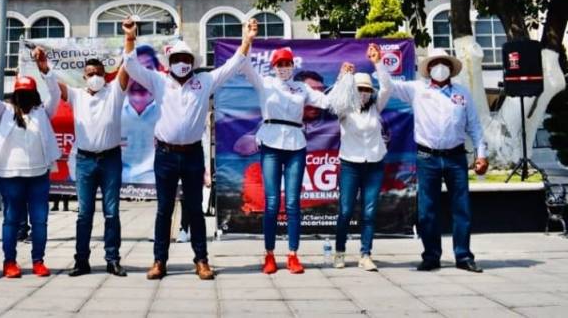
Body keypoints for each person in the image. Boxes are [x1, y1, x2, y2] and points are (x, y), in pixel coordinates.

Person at [123, 18, 257, 280]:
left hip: (193, 155)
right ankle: (159, 261)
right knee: (164, 210)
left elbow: (233, 65)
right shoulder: (158, 81)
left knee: (195, 210)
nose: (181, 63)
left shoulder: (204, 81)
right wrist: (130, 37)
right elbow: (130, 65)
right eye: (177, 59)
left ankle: (202, 261)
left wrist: (247, 40)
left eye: (186, 59)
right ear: (170, 61)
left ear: (192, 62)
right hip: (165, 155)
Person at [392, 48, 488, 273]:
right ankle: (431, 256)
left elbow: (474, 126)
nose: (440, 67)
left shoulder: (462, 93)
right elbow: (390, 86)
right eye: (435, 63)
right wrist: (378, 63)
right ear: (428, 68)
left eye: (444, 63)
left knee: (462, 208)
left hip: (456, 157)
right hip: (427, 157)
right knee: (427, 210)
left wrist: (482, 154)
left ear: (451, 68)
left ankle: (463, 256)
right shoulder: (418, 89)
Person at [39, 49, 130, 277]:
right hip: (85, 161)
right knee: (84, 213)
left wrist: (130, 40)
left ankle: (113, 259)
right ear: (84, 77)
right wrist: (44, 69)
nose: (95, 77)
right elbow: (54, 87)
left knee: (112, 212)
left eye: (99, 73)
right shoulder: (76, 95)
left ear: (105, 75)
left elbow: (127, 68)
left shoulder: (115, 92)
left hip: (110, 159)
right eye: (90, 74)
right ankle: (81, 261)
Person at [241, 46, 331, 275]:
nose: (283, 67)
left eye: (287, 63)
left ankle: (293, 254)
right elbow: (246, 67)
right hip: (271, 142)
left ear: (293, 65)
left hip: (296, 144)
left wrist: (344, 80)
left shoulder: (302, 88)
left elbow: (326, 101)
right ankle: (269, 254)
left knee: (292, 203)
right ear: (274, 66)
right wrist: (247, 41)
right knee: (271, 202)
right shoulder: (265, 83)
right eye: (279, 64)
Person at [0, 49, 61, 278]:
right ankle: (9, 262)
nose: (24, 96)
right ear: (15, 95)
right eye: (21, 93)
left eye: (28, 93)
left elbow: (55, 93)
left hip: (38, 176)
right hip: (10, 176)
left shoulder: (43, 112)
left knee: (40, 221)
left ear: (35, 95)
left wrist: (45, 70)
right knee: (11, 220)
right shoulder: (5, 111)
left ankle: (38, 261)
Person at [330, 44, 393, 271]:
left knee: (369, 211)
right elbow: (333, 100)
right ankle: (339, 252)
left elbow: (387, 87)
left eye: (367, 89)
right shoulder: (344, 109)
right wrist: (342, 77)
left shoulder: (376, 107)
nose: (363, 93)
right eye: (359, 89)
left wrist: (378, 62)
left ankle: (365, 254)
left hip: (375, 164)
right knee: (346, 211)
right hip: (350, 165)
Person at [121, 45, 162, 185]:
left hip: (158, 183)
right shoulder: (112, 108)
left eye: (147, 69)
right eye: (134, 71)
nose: (140, 78)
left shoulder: (168, 109)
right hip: (115, 184)